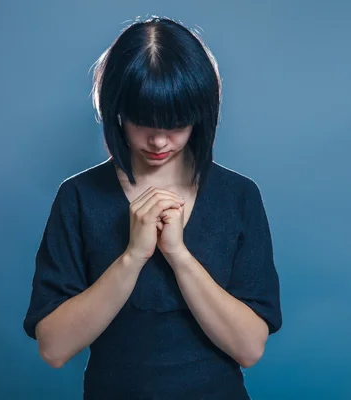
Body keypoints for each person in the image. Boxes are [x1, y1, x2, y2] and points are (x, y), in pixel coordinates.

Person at [23, 16, 282, 399]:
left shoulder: (238, 197)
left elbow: (249, 348)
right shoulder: (79, 198)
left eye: (176, 123)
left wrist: (178, 255)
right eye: (143, 122)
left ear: (200, 113)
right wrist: (133, 257)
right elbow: (54, 348)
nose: (159, 140)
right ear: (116, 110)